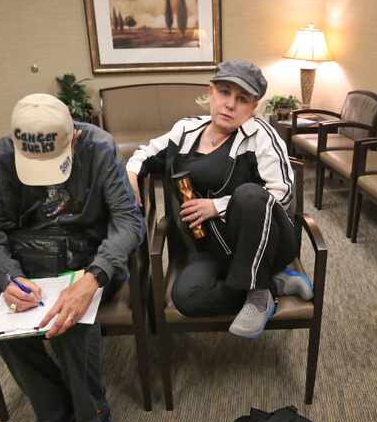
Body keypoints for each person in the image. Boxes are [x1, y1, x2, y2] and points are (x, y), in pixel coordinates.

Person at [0, 93, 144, 422]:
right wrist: (7, 276)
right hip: (28, 263)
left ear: (74, 138)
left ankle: (94, 417)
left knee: (70, 324)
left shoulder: (99, 147)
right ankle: (52, 409)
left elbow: (130, 221)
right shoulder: (4, 154)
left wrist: (94, 277)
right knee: (8, 330)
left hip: (90, 259)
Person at [126, 60, 313, 338]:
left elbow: (283, 193)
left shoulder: (261, 135)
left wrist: (218, 206)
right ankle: (273, 285)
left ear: (253, 107)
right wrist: (131, 171)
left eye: (242, 99)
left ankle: (258, 295)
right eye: (224, 92)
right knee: (188, 298)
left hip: (264, 244)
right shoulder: (185, 130)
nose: (230, 105)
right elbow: (146, 154)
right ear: (211, 93)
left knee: (249, 194)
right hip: (212, 250)